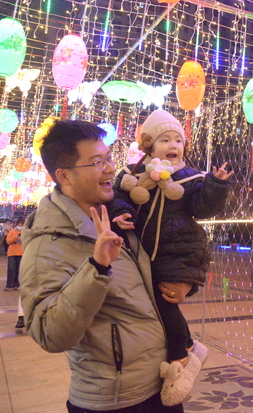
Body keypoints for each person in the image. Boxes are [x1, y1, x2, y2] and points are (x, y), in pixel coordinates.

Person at [19, 119, 186, 413]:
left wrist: (184, 282)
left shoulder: (118, 216)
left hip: (158, 386)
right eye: (97, 162)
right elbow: (48, 333)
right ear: (65, 176)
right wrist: (96, 268)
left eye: (109, 158)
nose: (110, 168)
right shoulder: (48, 244)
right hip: (113, 402)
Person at [111, 109, 232, 406]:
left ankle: (181, 360)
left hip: (181, 251)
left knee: (164, 304)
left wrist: (216, 185)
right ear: (149, 144)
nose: (173, 145)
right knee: (152, 304)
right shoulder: (131, 176)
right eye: (165, 139)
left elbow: (203, 209)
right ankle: (190, 347)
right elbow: (117, 198)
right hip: (143, 254)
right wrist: (121, 214)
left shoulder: (191, 178)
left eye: (178, 140)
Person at [4, 217, 24, 291]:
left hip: (21, 253)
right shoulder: (12, 232)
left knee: (18, 270)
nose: (20, 226)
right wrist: (15, 238)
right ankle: (9, 285)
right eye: (19, 225)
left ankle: (16, 284)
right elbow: (8, 241)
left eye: (21, 225)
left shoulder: (25, 232)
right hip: (12, 253)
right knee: (11, 269)